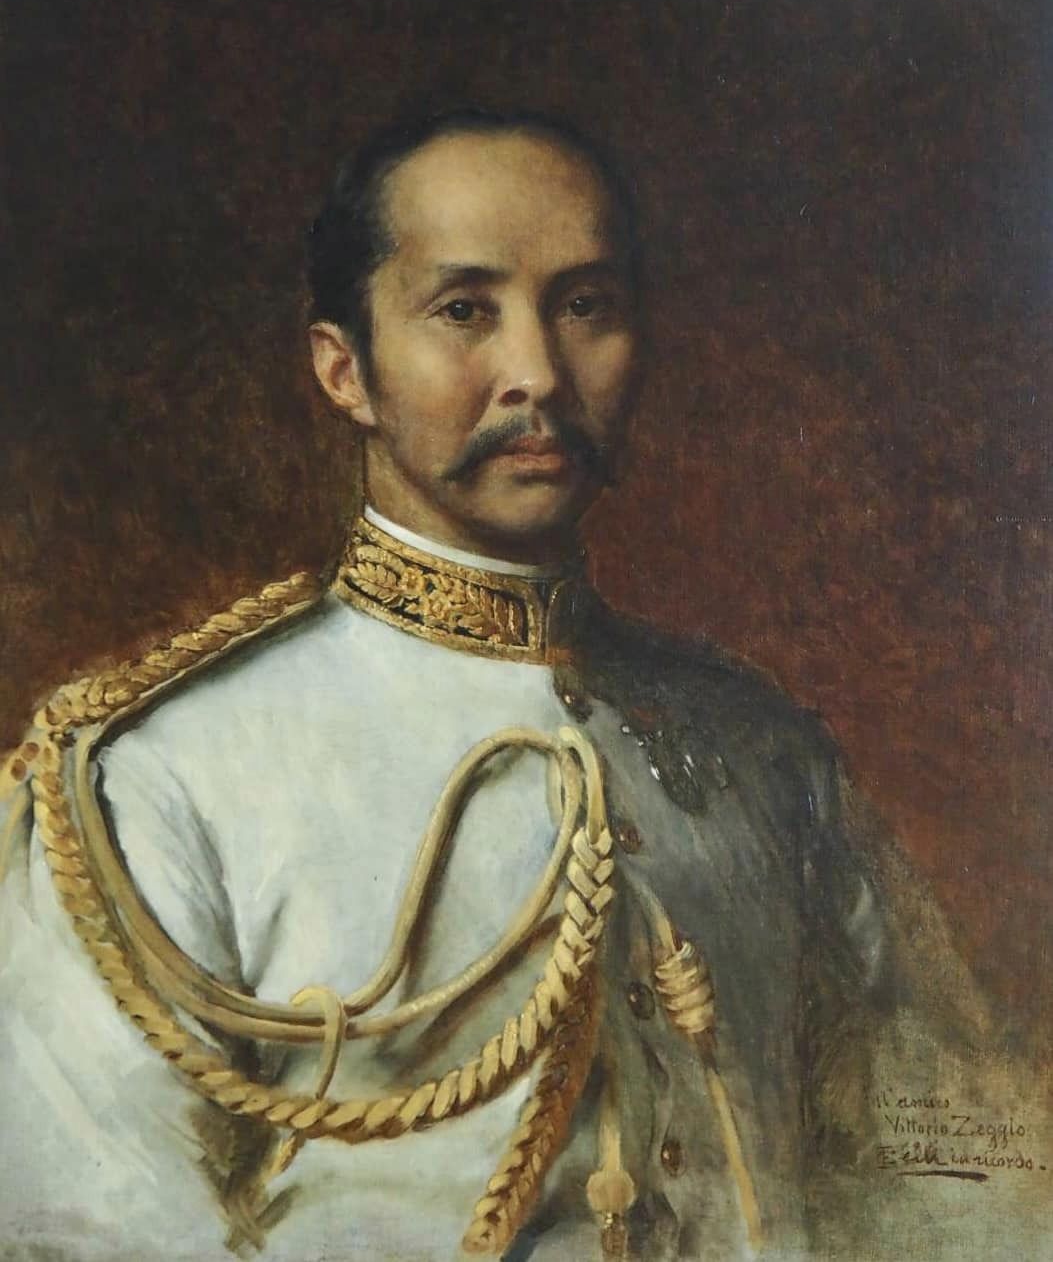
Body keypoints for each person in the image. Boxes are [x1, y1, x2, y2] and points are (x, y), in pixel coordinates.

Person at [0, 108, 1002, 1261]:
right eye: (465, 311)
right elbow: (88, 1231)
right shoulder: (157, 777)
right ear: (345, 370)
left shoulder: (767, 751)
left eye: (585, 306)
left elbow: (947, 1183)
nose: (537, 374)